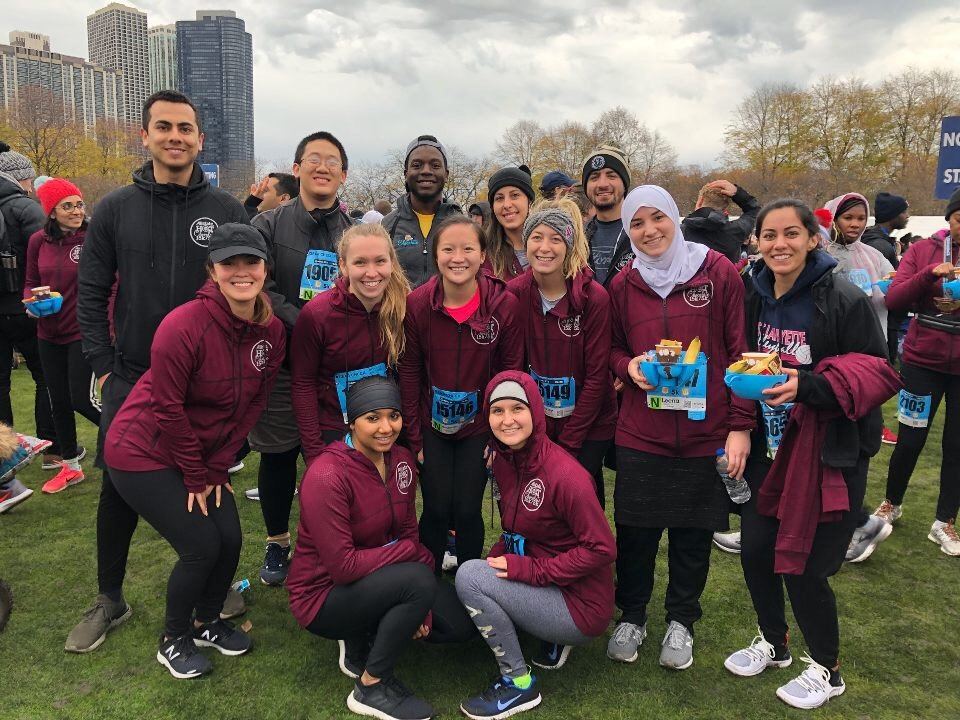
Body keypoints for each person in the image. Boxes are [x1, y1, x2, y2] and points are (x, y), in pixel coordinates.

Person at [70, 89, 249, 654]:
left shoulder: (225, 209)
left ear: (200, 139)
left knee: (210, 480)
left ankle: (211, 588)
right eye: (164, 127)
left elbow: (248, 287)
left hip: (205, 387)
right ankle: (109, 597)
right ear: (144, 136)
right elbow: (92, 290)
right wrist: (101, 361)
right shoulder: (116, 208)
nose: (176, 137)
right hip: (132, 374)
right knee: (118, 490)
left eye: (186, 128)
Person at [725, 198, 898, 710]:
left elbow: (877, 372)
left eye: (791, 234)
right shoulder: (752, 292)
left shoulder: (840, 297)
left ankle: (827, 669)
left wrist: (808, 386)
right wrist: (741, 420)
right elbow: (745, 363)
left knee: (806, 567)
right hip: (768, 446)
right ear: (756, 241)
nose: (780, 244)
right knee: (756, 551)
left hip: (829, 452)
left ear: (811, 240)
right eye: (769, 235)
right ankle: (774, 643)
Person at [104, 224, 284, 678]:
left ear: (266, 268)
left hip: (203, 456)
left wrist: (217, 465)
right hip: (141, 451)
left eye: (251, 262)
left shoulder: (272, 330)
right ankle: (174, 637)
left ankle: (207, 621)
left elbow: (254, 403)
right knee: (201, 545)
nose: (241, 272)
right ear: (212, 270)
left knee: (230, 537)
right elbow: (166, 408)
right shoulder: (183, 325)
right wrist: (196, 474)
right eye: (229, 263)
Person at [606, 185, 753, 671]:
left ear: (674, 217)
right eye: (637, 224)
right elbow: (611, 349)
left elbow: (738, 352)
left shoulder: (718, 272)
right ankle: (631, 615)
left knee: (692, 536)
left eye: (657, 219)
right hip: (641, 434)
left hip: (703, 432)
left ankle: (681, 622)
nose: (649, 231)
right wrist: (629, 368)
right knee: (636, 535)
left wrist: (739, 427)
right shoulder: (624, 285)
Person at [287, 376, 475, 720]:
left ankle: (372, 628)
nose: (386, 428)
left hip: (377, 576)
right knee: (418, 581)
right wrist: (406, 557)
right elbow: (343, 566)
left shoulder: (401, 460)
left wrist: (421, 609)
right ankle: (371, 686)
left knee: (458, 626)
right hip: (322, 595)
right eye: (372, 418)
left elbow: (406, 530)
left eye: (393, 415)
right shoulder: (326, 475)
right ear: (352, 421)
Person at [455, 371, 616, 720]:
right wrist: (501, 557)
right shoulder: (504, 459)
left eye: (518, 408)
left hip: (582, 607)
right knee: (483, 572)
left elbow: (602, 549)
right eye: (497, 411)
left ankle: (519, 683)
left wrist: (526, 569)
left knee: (469, 576)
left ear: (536, 413)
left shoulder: (565, 476)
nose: (507, 419)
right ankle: (550, 635)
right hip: (555, 586)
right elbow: (521, 527)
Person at [248, 130, 354, 586]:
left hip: (340, 369)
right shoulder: (268, 226)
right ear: (296, 169)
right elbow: (259, 290)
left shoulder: (355, 232)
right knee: (277, 457)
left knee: (337, 461)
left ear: (344, 175)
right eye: (314, 158)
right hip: (283, 364)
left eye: (333, 161)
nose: (323, 166)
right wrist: (311, 322)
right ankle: (276, 542)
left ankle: (336, 540)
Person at [399, 216, 523, 571]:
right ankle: (427, 587)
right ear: (435, 256)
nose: (458, 257)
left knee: (468, 508)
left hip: (479, 429)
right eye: (448, 249)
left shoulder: (503, 305)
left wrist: (500, 436)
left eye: (468, 248)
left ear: (483, 254)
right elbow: (410, 371)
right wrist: (414, 433)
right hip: (431, 426)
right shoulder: (418, 304)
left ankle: (472, 583)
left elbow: (509, 373)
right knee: (436, 507)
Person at [506, 199, 616, 505]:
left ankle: (594, 551)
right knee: (541, 500)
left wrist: (568, 443)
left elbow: (597, 377)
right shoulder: (515, 293)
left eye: (555, 239)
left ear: (569, 245)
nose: (545, 247)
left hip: (590, 424)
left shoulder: (594, 298)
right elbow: (514, 366)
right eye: (537, 238)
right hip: (538, 421)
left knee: (577, 494)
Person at [874, 187, 960, 557]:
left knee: (956, 446)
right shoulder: (923, 250)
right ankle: (892, 501)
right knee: (910, 439)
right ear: (950, 218)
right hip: (922, 362)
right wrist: (928, 275)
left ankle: (944, 521)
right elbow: (894, 299)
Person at [290, 223, 410, 466]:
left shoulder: (404, 307)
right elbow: (303, 383)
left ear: (391, 262)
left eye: (380, 261)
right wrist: (313, 451)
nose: (372, 272)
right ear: (343, 265)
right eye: (360, 263)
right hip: (334, 430)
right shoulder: (317, 314)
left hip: (385, 429)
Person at [23, 178, 100, 494]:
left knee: (82, 399)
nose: (76, 211)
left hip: (82, 331)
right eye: (67, 206)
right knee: (59, 402)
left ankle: (135, 439)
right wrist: (31, 302)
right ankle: (71, 466)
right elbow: (30, 280)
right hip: (47, 331)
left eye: (79, 204)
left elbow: (111, 281)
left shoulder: (92, 238)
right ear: (51, 211)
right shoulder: (38, 241)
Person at [0, 141, 57, 465]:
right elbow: (46, 259)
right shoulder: (25, 208)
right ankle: (53, 448)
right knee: (45, 376)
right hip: (26, 306)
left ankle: (6, 455)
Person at [382, 135, 462, 289]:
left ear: (446, 174)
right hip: (400, 313)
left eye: (435, 165)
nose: (426, 171)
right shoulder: (387, 226)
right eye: (417, 165)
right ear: (406, 174)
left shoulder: (462, 225)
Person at [862, 192, 909, 365]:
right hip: (880, 316)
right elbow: (878, 285)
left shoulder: (882, 241)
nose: (907, 216)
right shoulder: (879, 245)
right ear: (893, 215)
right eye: (904, 212)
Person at [582, 145, 634, 288]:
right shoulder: (578, 237)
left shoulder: (644, 233)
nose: (603, 184)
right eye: (594, 177)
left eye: (611, 175)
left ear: (624, 183)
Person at [681, 179, 761, 264]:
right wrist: (738, 193)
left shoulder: (678, 233)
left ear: (700, 201)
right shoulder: (736, 231)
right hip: (727, 276)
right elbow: (755, 211)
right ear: (725, 209)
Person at [483, 167, 534, 281]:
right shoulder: (484, 254)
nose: (507, 204)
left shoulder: (551, 244)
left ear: (529, 201)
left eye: (515, 195)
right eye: (499, 198)